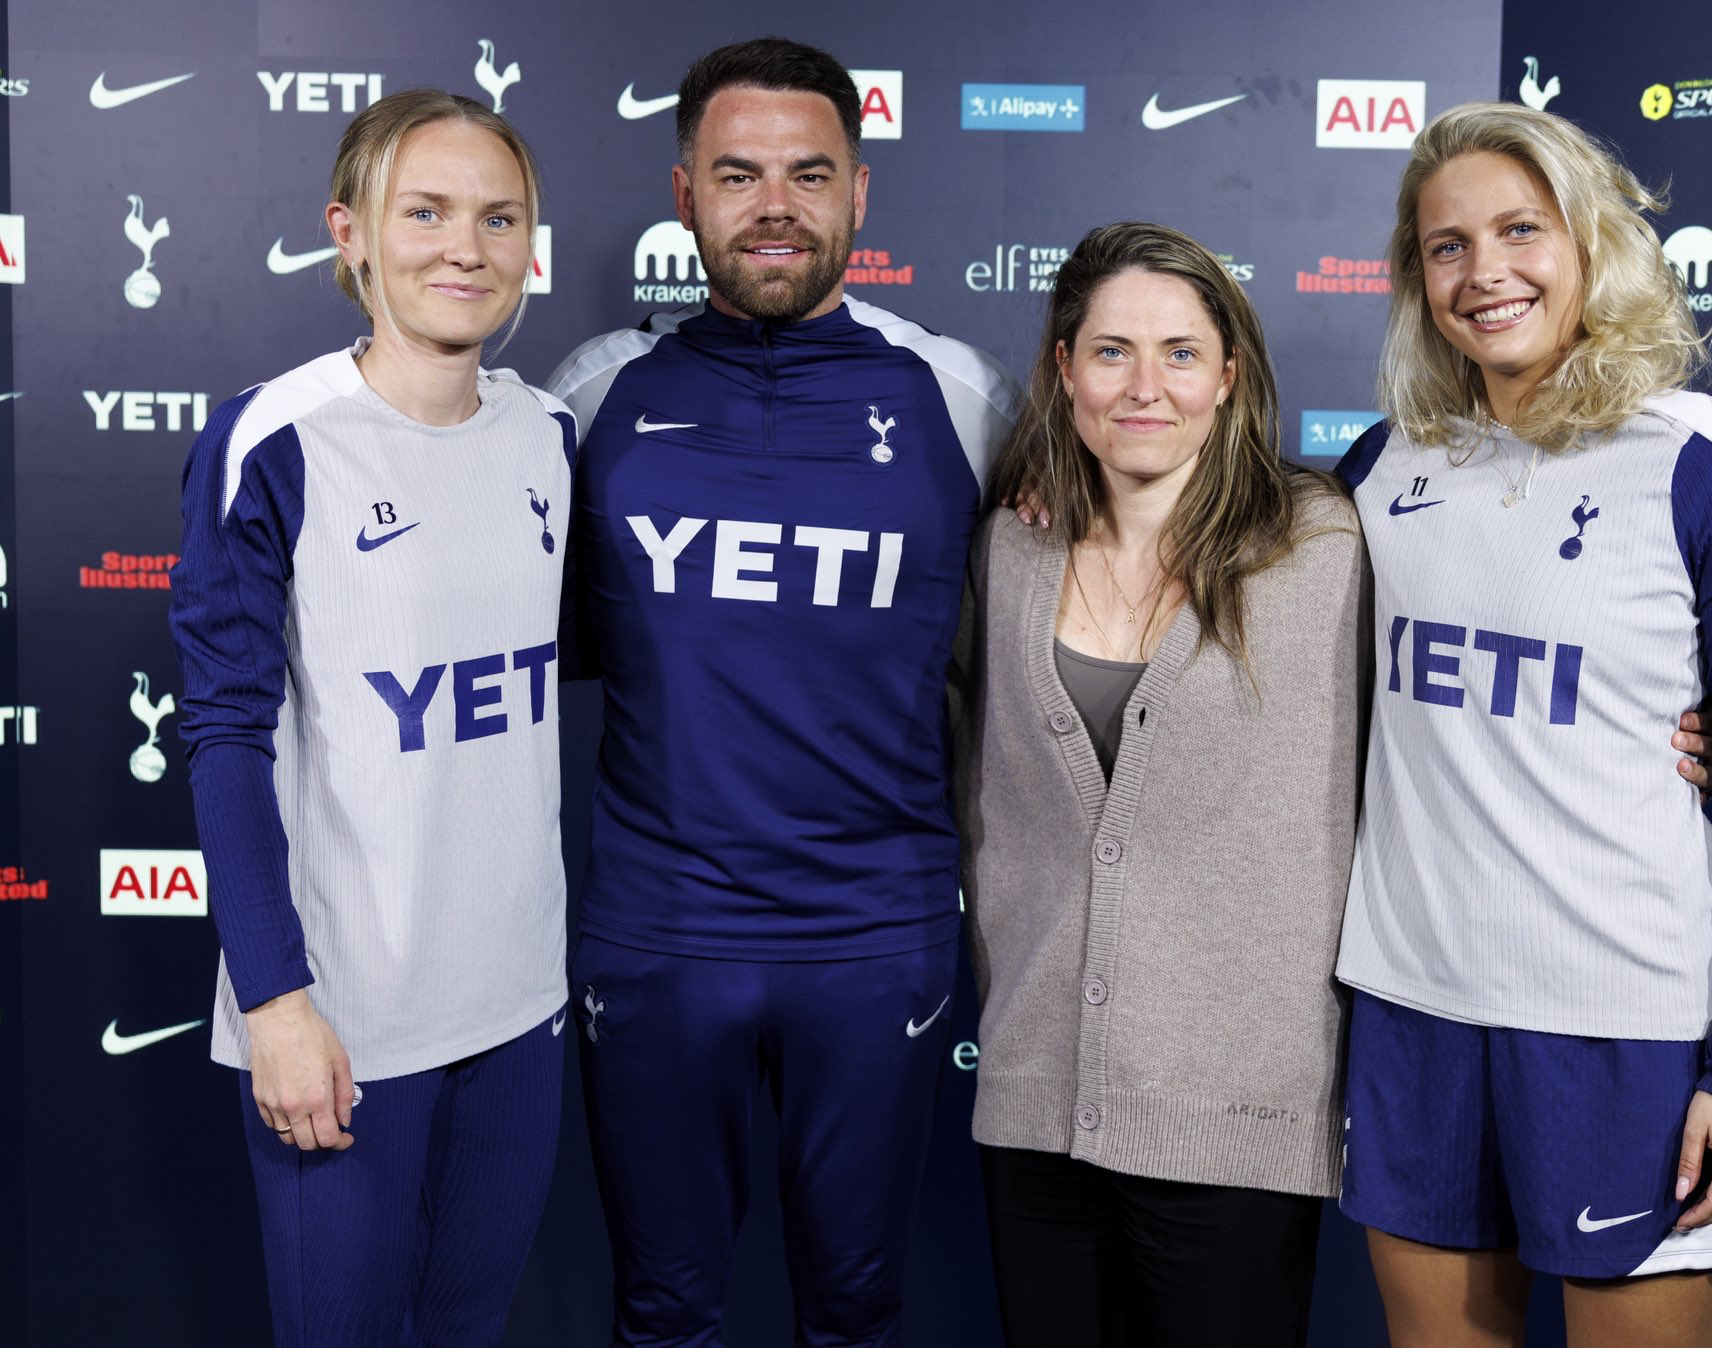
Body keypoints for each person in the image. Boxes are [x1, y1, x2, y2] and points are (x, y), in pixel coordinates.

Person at [543, 38, 1019, 1347]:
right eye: (739, 173)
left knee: (856, 1310)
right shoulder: (593, 395)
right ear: (684, 190)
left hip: (877, 939)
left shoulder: (959, 393)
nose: (775, 206)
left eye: (810, 174)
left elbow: (1080, 620)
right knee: (664, 1310)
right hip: (657, 936)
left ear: (860, 194)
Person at [1331, 101, 1712, 1347]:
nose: (1483, 272)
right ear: (1414, 277)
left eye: (1518, 230)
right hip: (1409, 1009)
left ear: (1590, 241)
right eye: (1446, 246)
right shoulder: (1382, 465)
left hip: (1625, 1034)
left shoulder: (1703, 462)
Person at [169, 90, 574, 1345]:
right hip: (342, 1021)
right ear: (349, 233)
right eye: (428, 212)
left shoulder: (551, 434)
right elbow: (224, 734)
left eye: (498, 217)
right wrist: (277, 1004)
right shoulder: (275, 438)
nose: (467, 247)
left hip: (517, 1011)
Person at [958, 221, 1363, 1348]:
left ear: (1229, 375)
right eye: (1111, 352)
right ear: (1062, 369)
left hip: (1232, 1116)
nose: (1146, 387)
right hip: (1036, 1108)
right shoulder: (1006, 547)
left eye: (1181, 353)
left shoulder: (1322, 545)